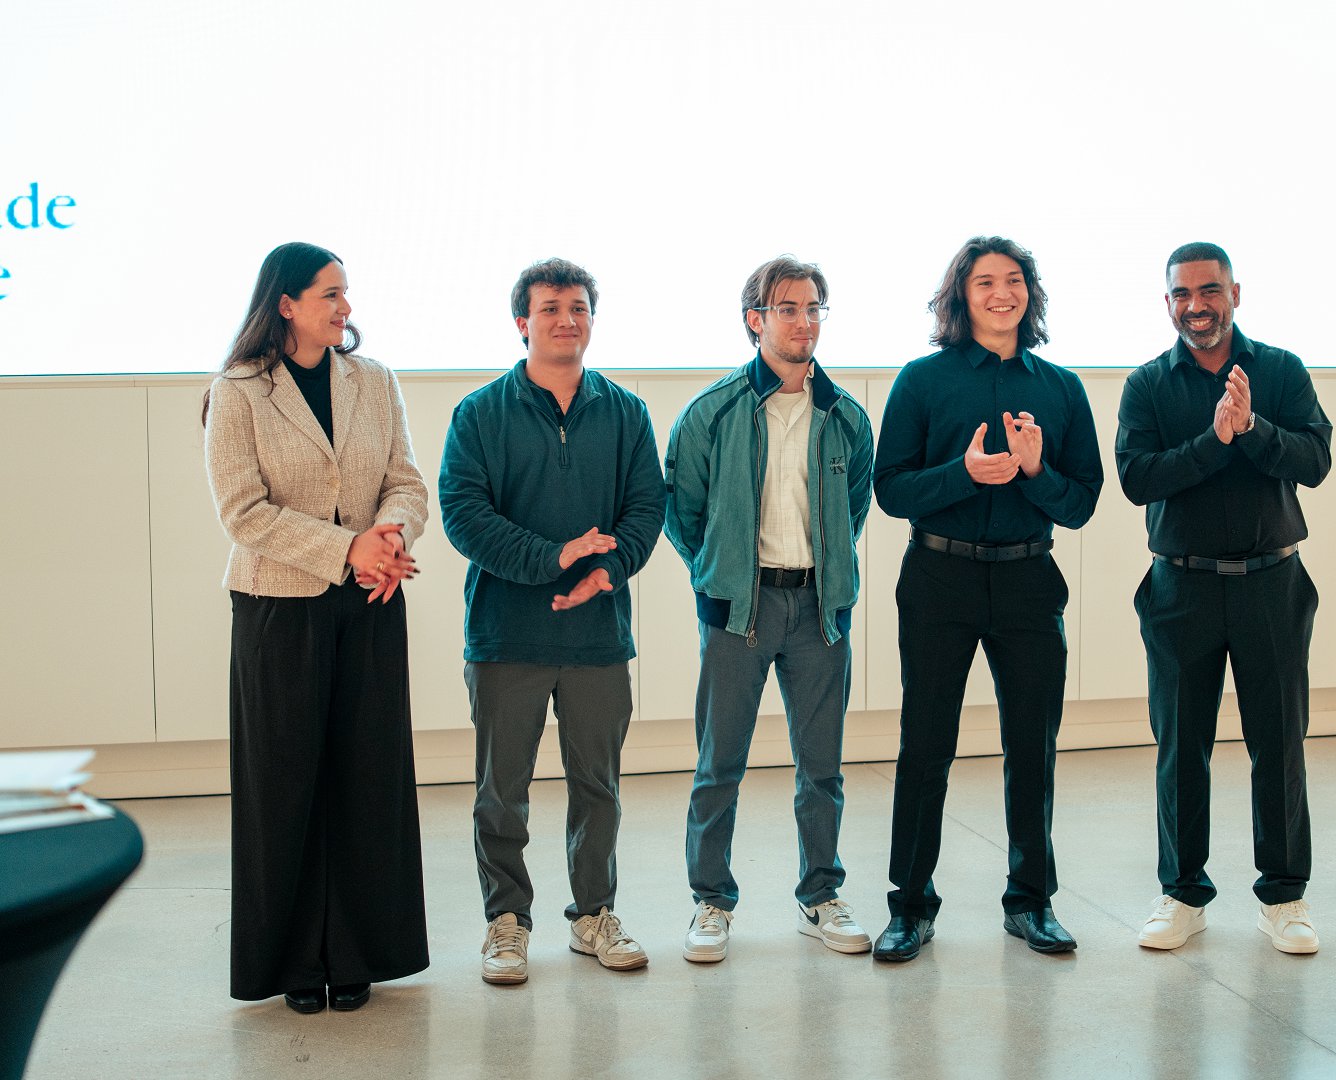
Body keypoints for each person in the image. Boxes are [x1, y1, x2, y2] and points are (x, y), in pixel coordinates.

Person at [203, 241, 429, 1014]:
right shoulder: (238, 391)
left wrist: (389, 539)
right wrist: (347, 548)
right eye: (330, 294)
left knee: (368, 778)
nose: (345, 307)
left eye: (346, 292)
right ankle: (297, 960)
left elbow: (406, 482)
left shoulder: (375, 380)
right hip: (278, 606)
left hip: (370, 601)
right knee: (285, 784)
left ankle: (359, 950)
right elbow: (243, 512)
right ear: (286, 303)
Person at [872, 236, 1104, 961]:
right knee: (926, 745)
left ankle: (1031, 902)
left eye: (1013, 281)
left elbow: (1082, 501)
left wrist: (1035, 472)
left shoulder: (1061, 388)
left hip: (1030, 580)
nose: (1001, 293)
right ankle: (910, 907)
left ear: (1029, 294)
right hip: (938, 578)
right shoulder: (922, 380)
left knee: (1032, 745)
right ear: (961, 296)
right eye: (984, 282)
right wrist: (964, 474)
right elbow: (890, 489)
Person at [439, 258, 663, 983]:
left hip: (598, 636)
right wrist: (553, 557)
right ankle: (506, 921)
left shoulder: (626, 413)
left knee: (598, 789)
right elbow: (463, 515)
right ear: (522, 323)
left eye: (578, 307)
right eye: (550, 308)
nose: (567, 319)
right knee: (502, 792)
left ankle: (594, 914)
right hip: (507, 635)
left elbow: (646, 508)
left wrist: (607, 570)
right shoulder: (479, 413)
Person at [1116, 242, 1333, 955]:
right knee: (1182, 745)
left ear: (1235, 293)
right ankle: (1182, 895)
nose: (1197, 305)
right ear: (1168, 303)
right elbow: (1139, 478)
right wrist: (1215, 440)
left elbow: (1316, 460)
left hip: (1273, 582)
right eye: (1182, 294)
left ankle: (1284, 897)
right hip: (1181, 587)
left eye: (1209, 290)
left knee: (1279, 741)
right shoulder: (1148, 385)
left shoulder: (1280, 370)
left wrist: (1254, 429)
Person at [664, 255, 875, 962]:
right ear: (755, 320)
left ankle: (821, 896)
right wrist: (718, 577)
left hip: (820, 611)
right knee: (719, 764)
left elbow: (852, 509)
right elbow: (683, 512)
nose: (803, 322)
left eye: (814, 308)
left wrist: (827, 579)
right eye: (788, 308)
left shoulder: (845, 416)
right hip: (738, 611)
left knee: (822, 768)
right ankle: (711, 902)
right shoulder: (713, 412)